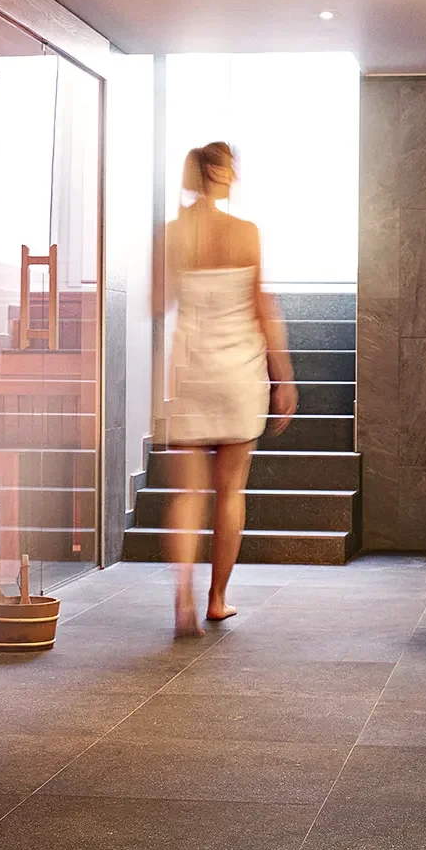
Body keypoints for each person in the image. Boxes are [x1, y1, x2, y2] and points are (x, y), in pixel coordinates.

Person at [165, 141, 295, 636]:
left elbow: (160, 301)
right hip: (238, 371)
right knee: (230, 490)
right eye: (233, 167)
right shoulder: (246, 233)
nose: (237, 175)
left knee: (187, 494)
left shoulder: (175, 233)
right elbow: (264, 308)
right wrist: (282, 375)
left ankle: (182, 596)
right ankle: (216, 599)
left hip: (191, 370)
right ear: (218, 171)